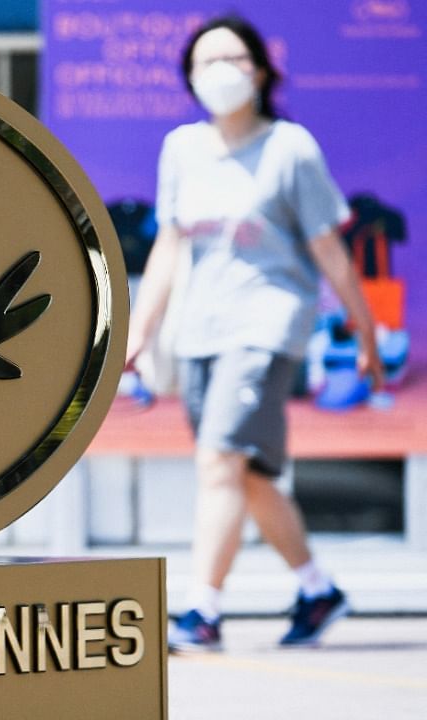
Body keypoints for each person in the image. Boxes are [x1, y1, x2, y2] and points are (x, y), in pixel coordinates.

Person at [126, 15, 385, 651]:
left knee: (218, 462)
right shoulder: (181, 149)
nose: (220, 72)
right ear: (189, 78)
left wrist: (367, 333)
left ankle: (201, 612)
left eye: (233, 58)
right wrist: (138, 333)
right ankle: (317, 589)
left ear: (262, 70)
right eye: (205, 61)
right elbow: (168, 248)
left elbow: (328, 249)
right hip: (201, 333)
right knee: (249, 476)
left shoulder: (290, 147)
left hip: (267, 326)